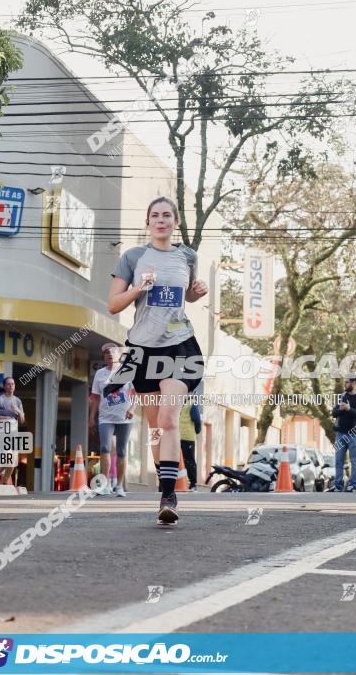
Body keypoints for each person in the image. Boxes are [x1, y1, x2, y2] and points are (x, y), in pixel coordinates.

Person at [107, 196, 208, 525]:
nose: (161, 220)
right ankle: (165, 488)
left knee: (168, 417)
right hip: (142, 350)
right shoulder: (133, 257)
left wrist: (198, 290)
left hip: (181, 345)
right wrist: (138, 288)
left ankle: (169, 495)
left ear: (175, 222)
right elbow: (113, 305)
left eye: (167, 215)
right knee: (155, 429)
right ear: (148, 222)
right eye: (155, 215)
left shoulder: (187, 255)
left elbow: (187, 295)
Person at [90, 342, 134, 497]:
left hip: (124, 418)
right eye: (107, 353)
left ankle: (119, 486)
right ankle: (105, 484)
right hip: (105, 418)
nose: (110, 355)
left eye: (113, 352)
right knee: (104, 449)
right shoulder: (100, 374)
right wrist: (91, 418)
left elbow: (138, 394)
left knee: (121, 451)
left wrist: (132, 409)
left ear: (118, 354)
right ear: (104, 357)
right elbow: (95, 398)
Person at [330, 374, 356, 492]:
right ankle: (338, 485)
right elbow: (334, 413)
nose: (345, 384)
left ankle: (352, 485)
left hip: (355, 434)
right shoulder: (343, 396)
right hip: (340, 433)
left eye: (347, 382)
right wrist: (340, 409)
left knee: (353, 460)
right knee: (338, 460)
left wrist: (349, 409)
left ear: (354, 383)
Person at [0, 377, 25, 485]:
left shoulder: (17, 401)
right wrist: (4, 418)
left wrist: (19, 412)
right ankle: (1, 481)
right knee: (9, 460)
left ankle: (0, 481)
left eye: (13, 384)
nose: (11, 386)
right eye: (8, 384)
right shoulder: (0, 400)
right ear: (4, 386)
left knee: (13, 463)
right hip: (2, 433)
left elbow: (21, 421)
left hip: (13, 434)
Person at [180, 398, 202, 491]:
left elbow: (197, 419)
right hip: (177, 436)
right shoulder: (178, 401)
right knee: (180, 461)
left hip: (187, 437)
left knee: (189, 461)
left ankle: (193, 484)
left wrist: (197, 430)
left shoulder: (192, 403)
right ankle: (180, 483)